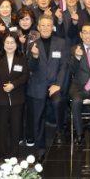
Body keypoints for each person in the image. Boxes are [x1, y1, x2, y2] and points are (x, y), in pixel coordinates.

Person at [26, 15, 69, 152]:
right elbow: (31, 68)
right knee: (38, 118)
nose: (45, 28)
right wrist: (35, 57)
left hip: (55, 83)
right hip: (38, 84)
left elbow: (64, 65)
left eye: (48, 25)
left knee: (57, 102)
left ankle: (60, 130)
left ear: (52, 27)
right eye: (43, 25)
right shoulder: (33, 44)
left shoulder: (61, 43)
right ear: (38, 28)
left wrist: (58, 84)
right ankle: (40, 149)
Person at [0, 33, 30, 161]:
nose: (9, 45)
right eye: (7, 42)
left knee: (16, 129)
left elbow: (25, 75)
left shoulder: (22, 57)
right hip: (0, 98)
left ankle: (13, 156)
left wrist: (13, 85)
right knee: (1, 129)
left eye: (12, 42)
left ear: (17, 44)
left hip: (17, 97)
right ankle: (1, 155)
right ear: (3, 44)